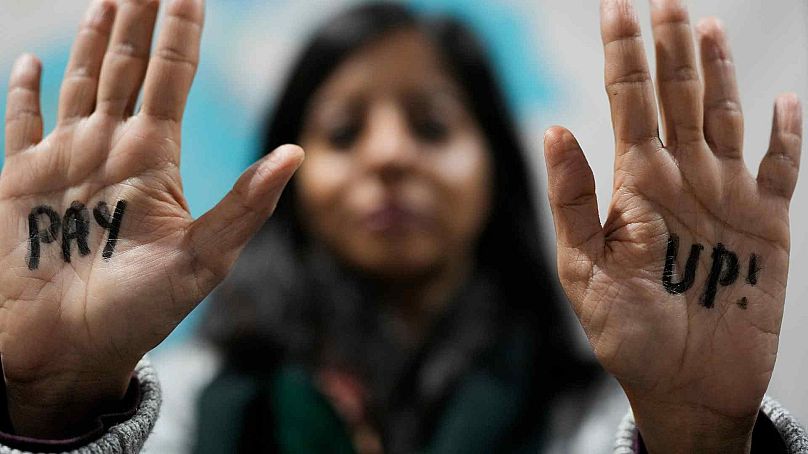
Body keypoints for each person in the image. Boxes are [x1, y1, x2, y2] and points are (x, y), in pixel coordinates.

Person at [0, 1, 805, 454]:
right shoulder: (179, 412)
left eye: (431, 125)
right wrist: (55, 409)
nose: (388, 155)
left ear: (493, 166)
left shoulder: (607, 422)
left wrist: (701, 440)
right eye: (344, 132)